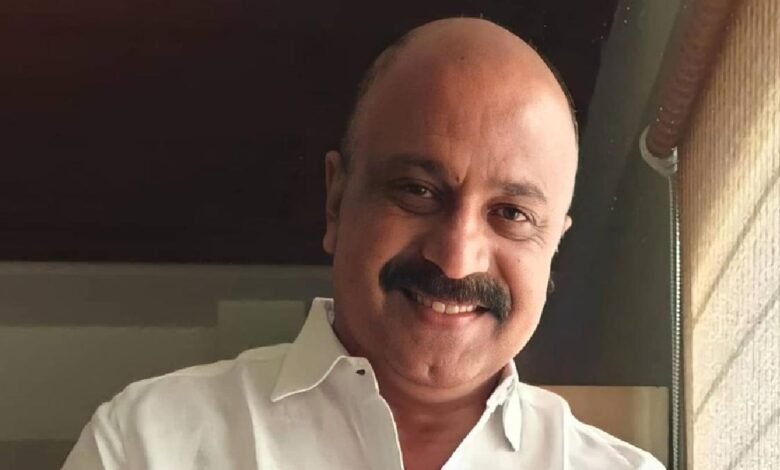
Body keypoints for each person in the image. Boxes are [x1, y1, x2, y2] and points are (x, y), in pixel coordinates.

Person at [63, 17, 664, 470]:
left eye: (511, 214)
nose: (457, 258)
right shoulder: (146, 445)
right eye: (418, 191)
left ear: (553, 246)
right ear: (336, 201)